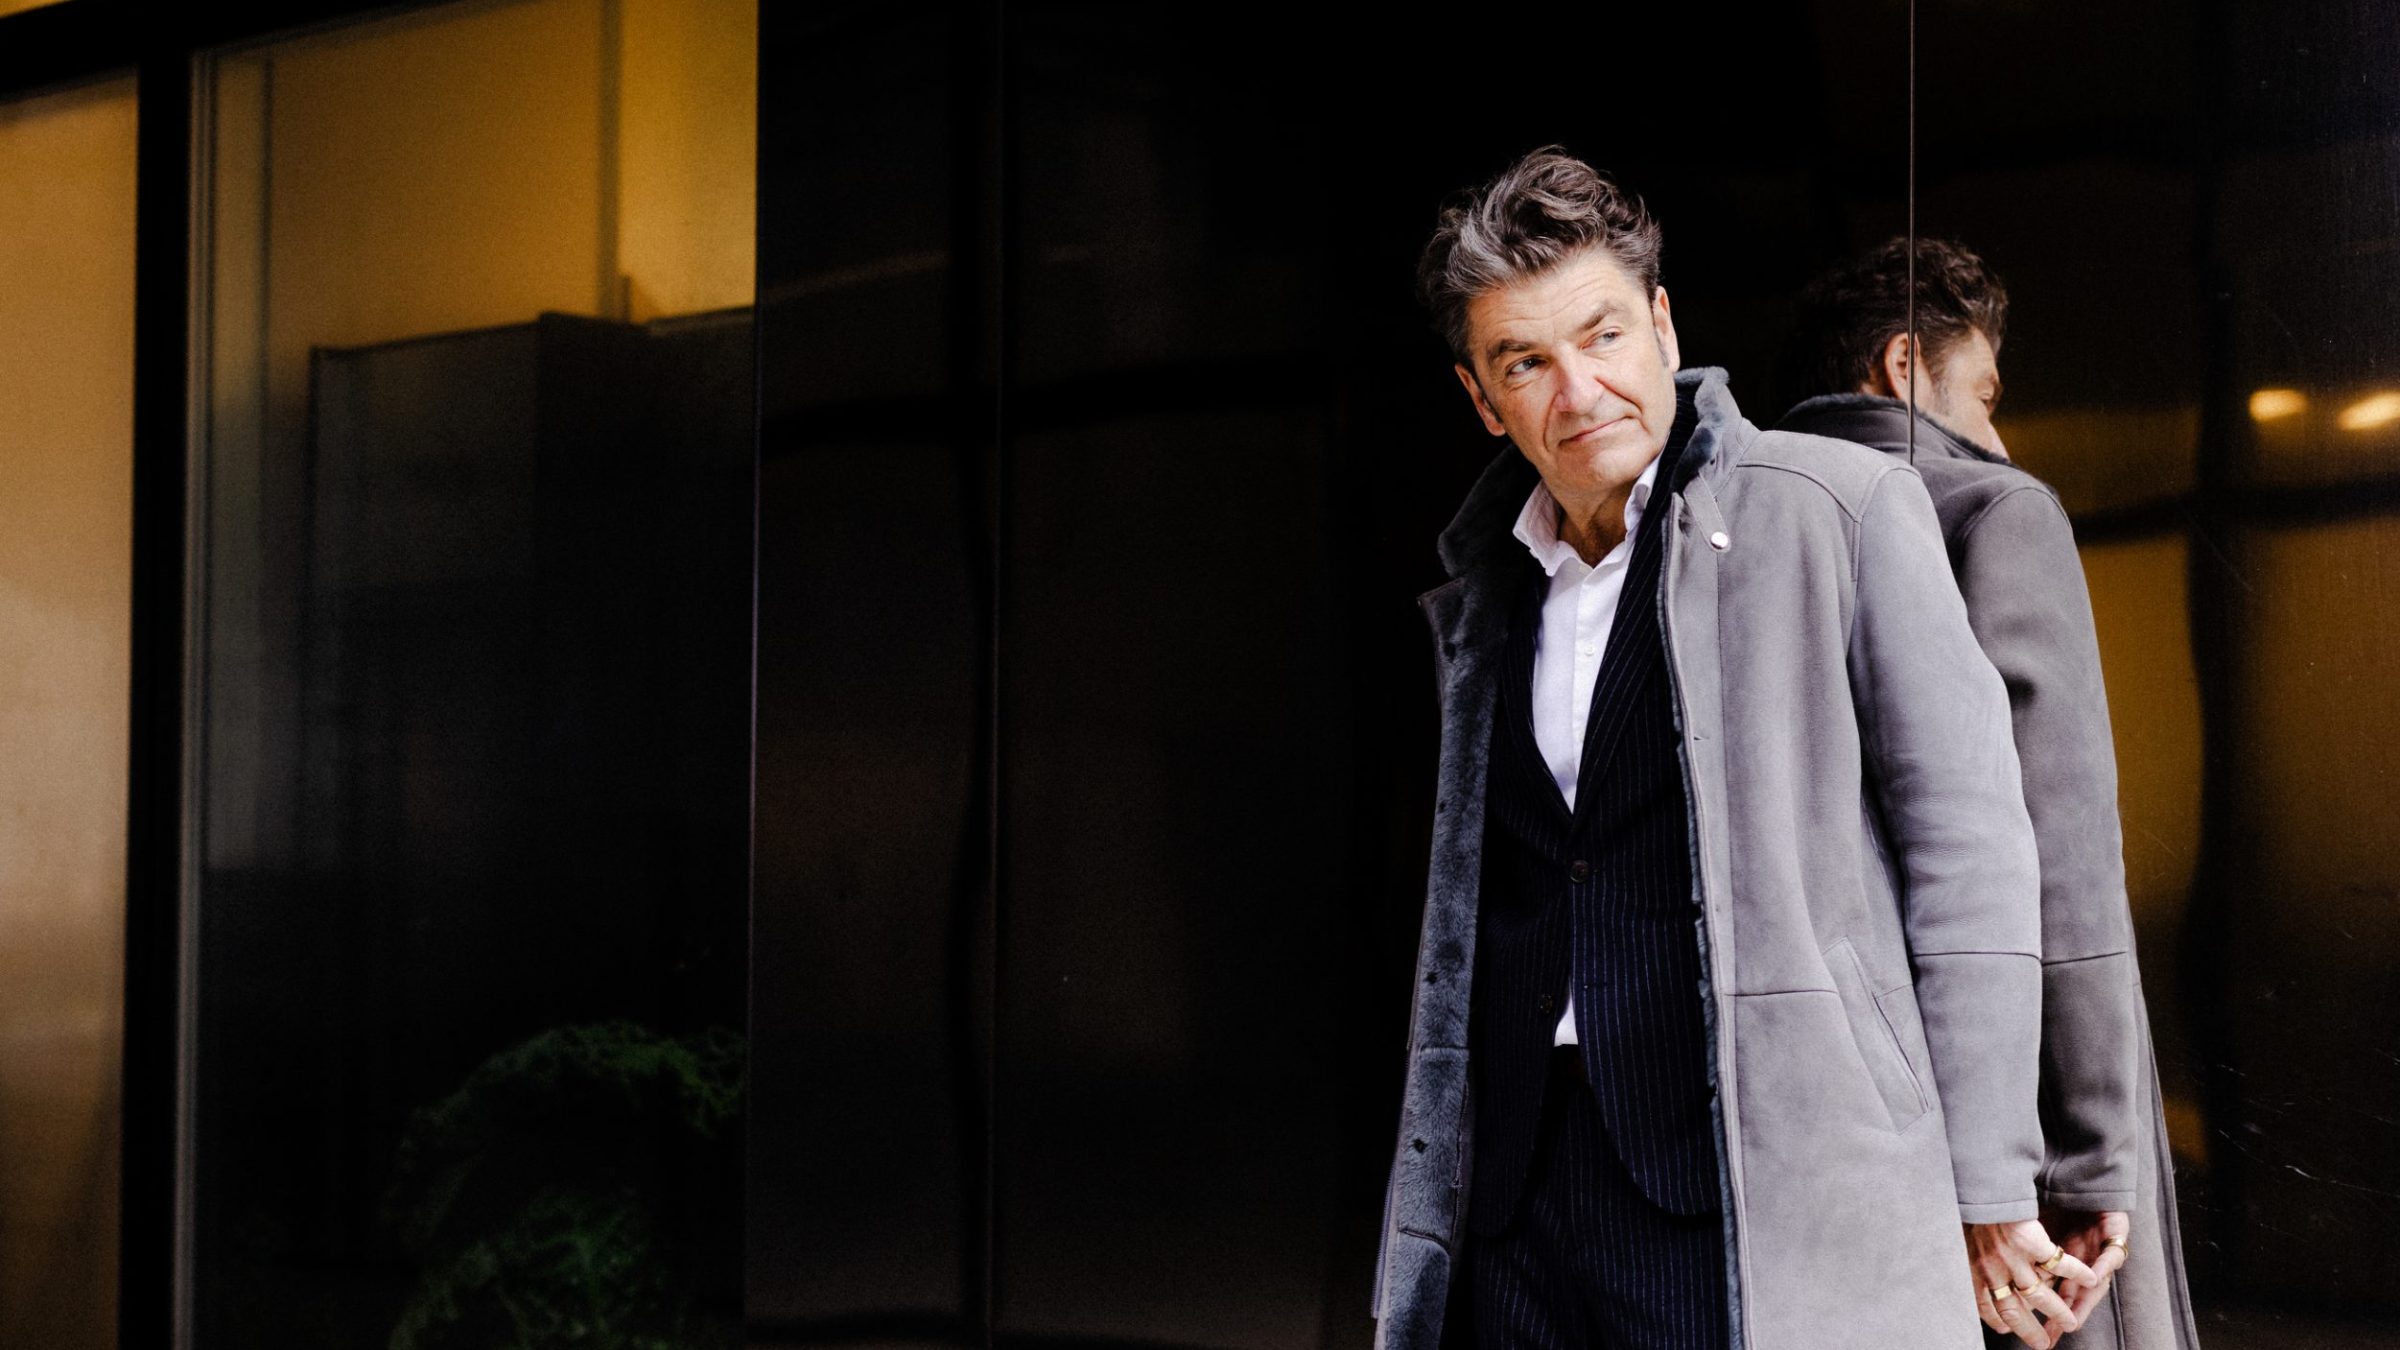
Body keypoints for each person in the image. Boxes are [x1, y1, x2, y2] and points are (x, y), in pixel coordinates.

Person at [1369, 147, 2098, 1350]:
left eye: (1603, 335)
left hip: (1743, 1189)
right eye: (1526, 363)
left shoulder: (1839, 508)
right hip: (1517, 1199)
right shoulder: (1486, 590)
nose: (1578, 390)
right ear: (1483, 399)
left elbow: (1970, 853)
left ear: (1662, 326)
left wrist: (1989, 1176)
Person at [1776, 237, 2202, 1350]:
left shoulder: (1746, 530)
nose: (1998, 437)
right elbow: (2063, 858)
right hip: (2014, 1133)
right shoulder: (1988, 510)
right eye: (1984, 394)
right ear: (1902, 365)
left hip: (1825, 1125)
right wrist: (2094, 1155)